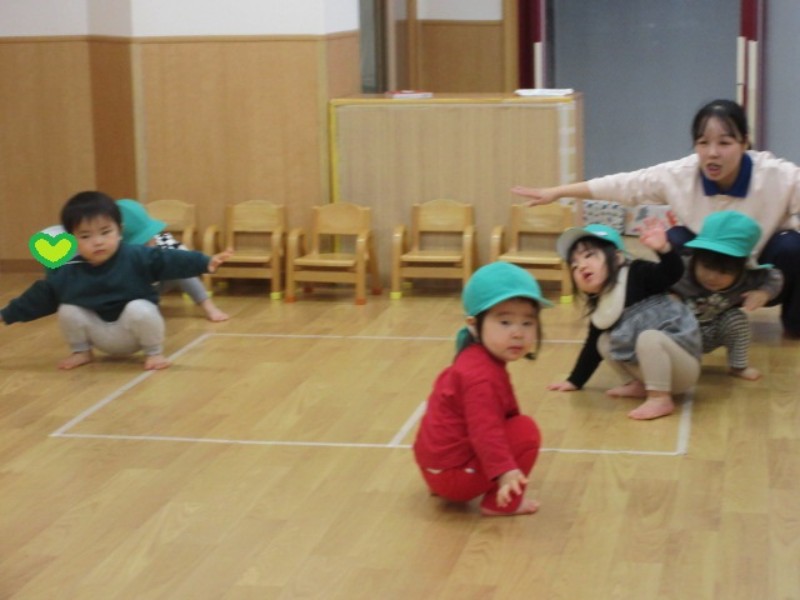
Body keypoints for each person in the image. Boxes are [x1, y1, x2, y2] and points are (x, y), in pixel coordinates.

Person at [511, 98, 800, 338]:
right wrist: (558, 192)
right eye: (703, 142)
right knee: (674, 240)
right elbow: (624, 185)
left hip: (761, 274)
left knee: (792, 245)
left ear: (744, 142)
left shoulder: (778, 175)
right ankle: (687, 316)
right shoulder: (680, 175)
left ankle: (795, 321)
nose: (712, 153)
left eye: (724, 143)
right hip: (709, 271)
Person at [0, 191, 231, 371]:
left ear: (119, 231)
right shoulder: (70, 270)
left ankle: (154, 353)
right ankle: (81, 351)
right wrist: (5, 315)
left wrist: (205, 262)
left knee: (139, 308)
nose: (98, 242)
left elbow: (171, 259)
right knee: (68, 309)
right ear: (72, 240)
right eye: (86, 236)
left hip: (134, 334)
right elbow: (41, 295)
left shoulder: (136, 256)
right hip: (99, 335)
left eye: (105, 232)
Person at [413, 262, 547, 516]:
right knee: (526, 431)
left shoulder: (473, 358)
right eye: (505, 322)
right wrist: (505, 470)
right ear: (473, 324)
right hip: (454, 478)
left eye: (527, 323)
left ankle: (445, 483)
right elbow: (486, 430)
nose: (518, 333)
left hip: (433, 469)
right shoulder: (482, 377)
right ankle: (501, 504)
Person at [549, 221, 702, 421]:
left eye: (589, 255)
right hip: (652, 371)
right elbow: (591, 349)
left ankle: (660, 398)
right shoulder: (603, 302)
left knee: (649, 338)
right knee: (603, 341)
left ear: (617, 258)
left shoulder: (638, 273)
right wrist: (574, 381)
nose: (581, 266)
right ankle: (638, 384)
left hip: (683, 365)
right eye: (574, 265)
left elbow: (671, 273)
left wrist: (664, 249)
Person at [671, 211, 783, 381]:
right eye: (707, 266)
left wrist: (763, 293)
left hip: (714, 329)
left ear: (742, 268)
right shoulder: (680, 268)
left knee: (737, 318)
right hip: (678, 331)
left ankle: (737, 366)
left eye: (725, 271)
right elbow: (651, 280)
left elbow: (775, 276)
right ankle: (667, 365)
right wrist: (668, 296)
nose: (712, 277)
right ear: (695, 257)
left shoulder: (748, 277)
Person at [117, 199, 230, 322]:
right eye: (142, 243)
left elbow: (183, 260)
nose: (148, 245)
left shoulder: (163, 241)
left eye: (149, 238)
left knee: (181, 266)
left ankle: (209, 308)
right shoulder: (117, 255)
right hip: (133, 293)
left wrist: (205, 261)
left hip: (157, 284)